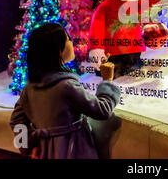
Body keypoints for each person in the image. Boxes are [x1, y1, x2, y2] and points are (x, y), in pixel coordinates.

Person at [9, 22, 121, 159]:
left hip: (45, 152)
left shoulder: (29, 89)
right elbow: (102, 110)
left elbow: (16, 121)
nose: (71, 41)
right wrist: (107, 80)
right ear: (58, 50)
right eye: (67, 39)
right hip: (74, 151)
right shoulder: (67, 87)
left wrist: (29, 147)